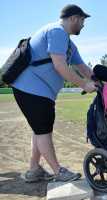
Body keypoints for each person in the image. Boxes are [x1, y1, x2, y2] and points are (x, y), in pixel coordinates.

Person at [11, 4, 97, 182]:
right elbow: (60, 66)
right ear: (73, 18)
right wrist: (84, 85)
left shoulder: (68, 43)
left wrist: (102, 82)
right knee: (43, 131)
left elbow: (83, 67)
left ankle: (34, 170)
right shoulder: (56, 31)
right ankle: (58, 171)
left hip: (40, 92)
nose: (83, 24)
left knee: (40, 130)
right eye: (82, 20)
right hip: (30, 89)